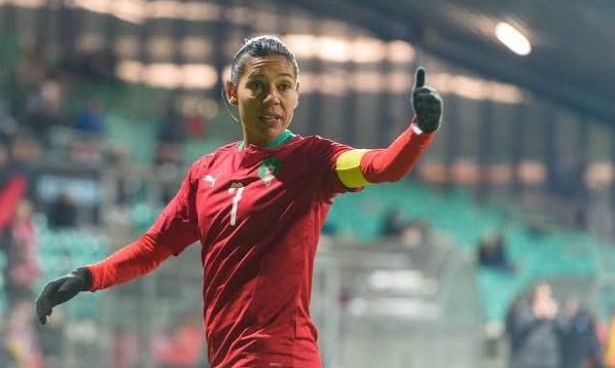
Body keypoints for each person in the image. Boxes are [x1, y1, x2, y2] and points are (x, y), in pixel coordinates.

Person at [35, 35, 443, 367]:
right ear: (233, 92)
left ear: (297, 96)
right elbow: (155, 245)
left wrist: (419, 131)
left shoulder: (313, 160)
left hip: (282, 357)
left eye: (284, 87)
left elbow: (381, 166)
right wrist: (89, 276)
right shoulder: (205, 172)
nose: (273, 98)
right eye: (258, 85)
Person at [505, 282, 566, 368]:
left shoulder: (555, 309)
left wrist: (554, 316)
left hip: (549, 358)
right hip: (528, 357)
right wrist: (536, 315)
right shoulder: (524, 309)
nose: (545, 297)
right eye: (542, 293)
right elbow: (518, 327)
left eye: (547, 294)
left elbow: (565, 328)